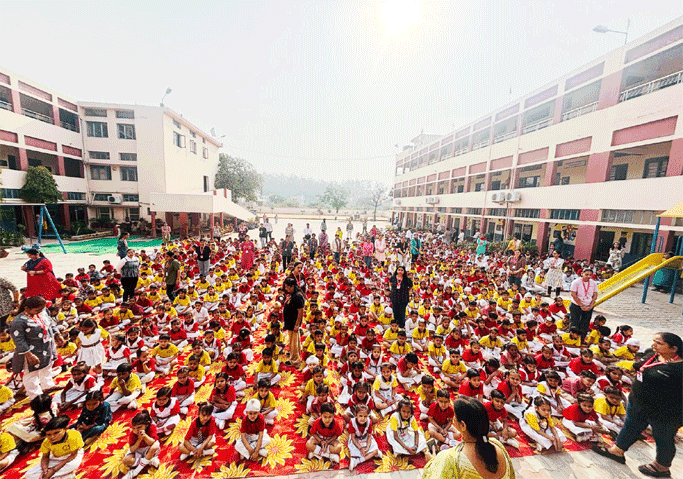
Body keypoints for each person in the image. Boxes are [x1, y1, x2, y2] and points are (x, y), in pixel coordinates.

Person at [592, 332, 682, 478]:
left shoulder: (679, 369)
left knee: (663, 437)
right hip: (639, 403)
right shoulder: (654, 354)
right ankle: (617, 451)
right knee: (630, 426)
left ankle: (662, 467)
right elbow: (638, 366)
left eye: (659, 343)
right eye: (654, 341)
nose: (654, 345)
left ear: (674, 348)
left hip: (664, 411)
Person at [422, 396, 515, 479]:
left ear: (463, 425)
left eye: (455, 417)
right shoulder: (498, 445)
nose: (453, 420)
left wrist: (432, 463)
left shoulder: (451, 458)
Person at [10, 296, 58, 399]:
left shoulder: (42, 313)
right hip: (31, 351)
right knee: (31, 373)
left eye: (41, 309)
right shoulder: (19, 321)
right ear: (26, 308)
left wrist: (57, 334)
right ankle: (35, 395)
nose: (40, 312)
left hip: (46, 346)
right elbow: (19, 340)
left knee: (47, 366)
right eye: (37, 310)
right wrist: (29, 354)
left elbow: (50, 324)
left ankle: (47, 386)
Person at [569, 269, 598, 339]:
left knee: (585, 324)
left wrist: (591, 305)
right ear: (582, 274)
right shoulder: (576, 282)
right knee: (574, 323)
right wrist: (581, 305)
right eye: (586, 274)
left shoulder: (593, 283)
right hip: (576, 305)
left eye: (590, 275)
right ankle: (572, 339)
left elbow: (595, 295)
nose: (588, 276)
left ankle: (581, 339)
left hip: (588, 305)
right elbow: (573, 294)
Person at [282, 277, 305, 366]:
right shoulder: (292, 294)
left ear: (292, 286)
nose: (286, 288)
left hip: (294, 322)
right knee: (294, 340)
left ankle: (294, 360)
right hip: (290, 321)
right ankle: (294, 354)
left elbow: (300, 311)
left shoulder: (298, 296)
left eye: (287, 287)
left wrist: (297, 324)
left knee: (294, 341)